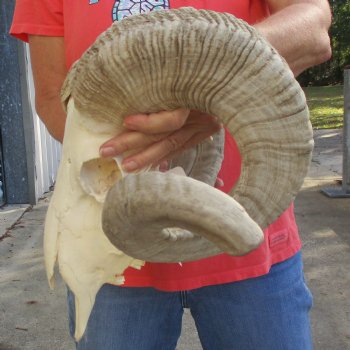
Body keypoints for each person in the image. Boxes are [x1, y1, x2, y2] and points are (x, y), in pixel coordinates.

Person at [11, 1, 331, 349]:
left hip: (247, 242)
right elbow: (49, 96)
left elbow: (312, 23)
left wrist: (209, 79)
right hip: (109, 257)